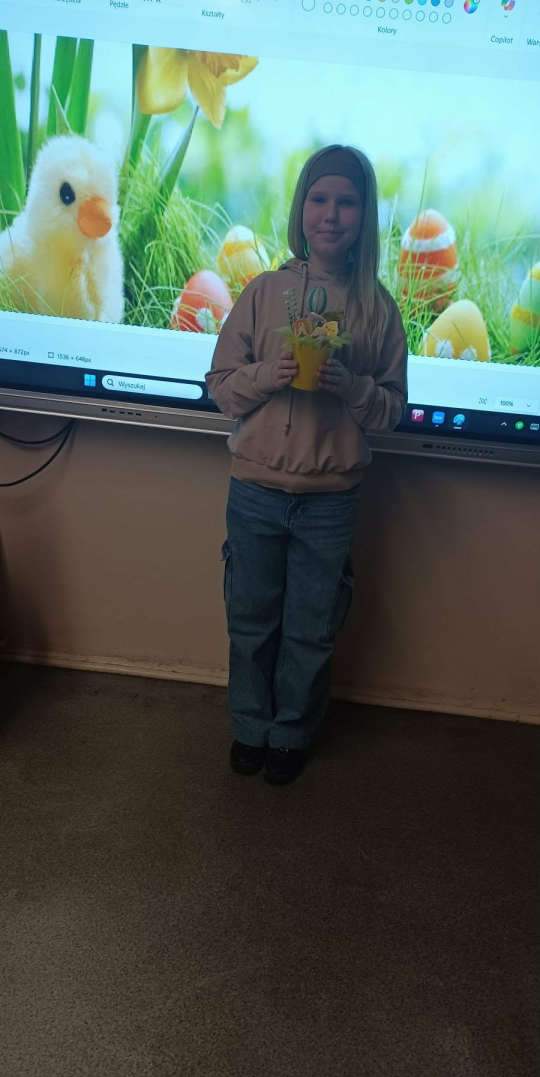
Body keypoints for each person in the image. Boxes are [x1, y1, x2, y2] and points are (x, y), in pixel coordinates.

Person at [206, 144, 408, 787]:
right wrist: (270, 374)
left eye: (346, 202)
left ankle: (290, 734)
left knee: (311, 628)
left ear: (363, 216)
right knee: (250, 620)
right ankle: (250, 727)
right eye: (319, 199)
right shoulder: (263, 293)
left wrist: (353, 387)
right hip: (255, 488)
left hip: (331, 499)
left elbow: (393, 410)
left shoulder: (379, 308)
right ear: (300, 209)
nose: (331, 214)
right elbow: (220, 386)